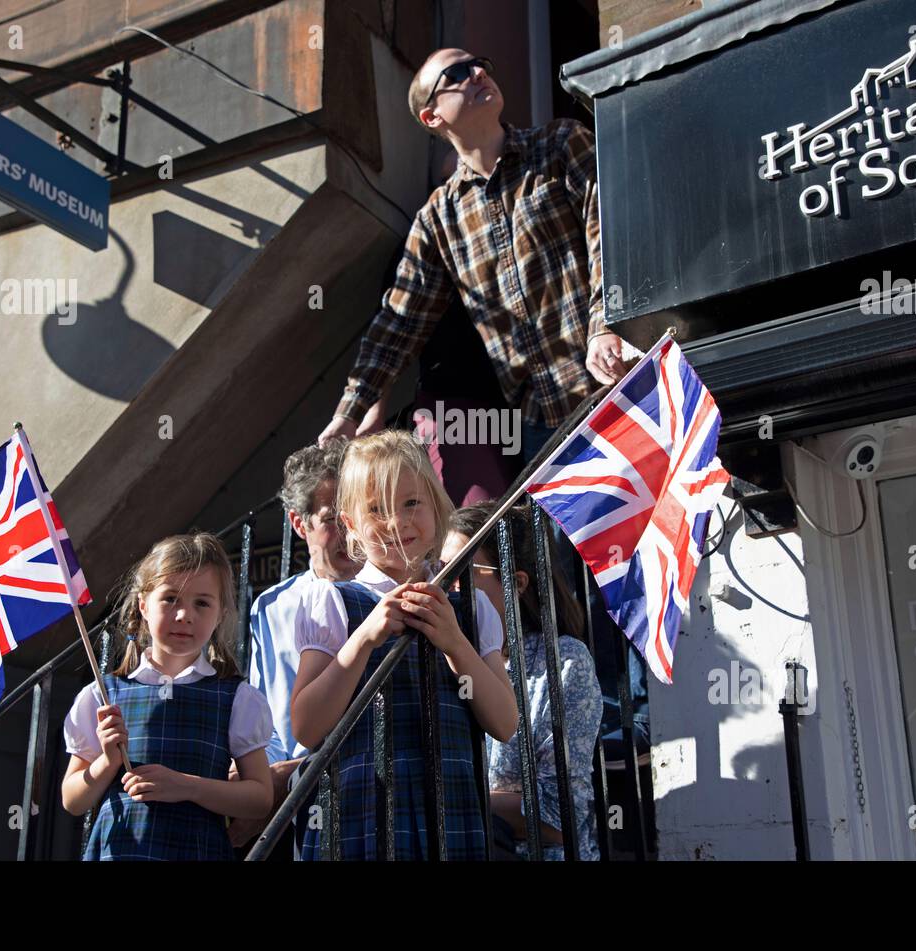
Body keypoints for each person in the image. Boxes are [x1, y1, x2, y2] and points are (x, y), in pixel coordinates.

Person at [316, 47, 630, 450]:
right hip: (543, 432)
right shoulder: (438, 219)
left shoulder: (560, 144)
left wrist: (606, 323)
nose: (479, 72)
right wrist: (349, 412)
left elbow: (610, 233)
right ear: (432, 116)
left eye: (481, 63)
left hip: (620, 383)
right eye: (459, 72)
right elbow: (398, 323)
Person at [290, 430, 518, 859]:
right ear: (351, 524)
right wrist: (362, 640)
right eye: (376, 510)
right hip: (360, 814)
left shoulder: (470, 611)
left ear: (437, 505)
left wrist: (455, 643)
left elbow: (505, 723)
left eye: (411, 503)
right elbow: (306, 726)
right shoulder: (333, 603)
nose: (397, 522)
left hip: (450, 815)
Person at [61, 532, 274, 861]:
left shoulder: (237, 698)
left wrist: (188, 786)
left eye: (201, 603)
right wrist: (108, 761)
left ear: (220, 614)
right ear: (143, 605)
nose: (184, 615)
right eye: (170, 598)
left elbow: (260, 797)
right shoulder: (101, 696)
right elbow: (73, 800)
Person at [442, 501, 602, 861]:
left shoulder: (561, 661)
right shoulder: (439, 661)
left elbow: (560, 818)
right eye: (440, 570)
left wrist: (448, 796)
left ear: (515, 584)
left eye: (462, 570)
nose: (448, 587)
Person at [227, 441, 361, 853]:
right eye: (331, 520)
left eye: (355, 513)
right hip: (296, 806)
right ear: (299, 525)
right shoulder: (272, 607)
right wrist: (260, 776)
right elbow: (268, 716)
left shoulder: (387, 594)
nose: (349, 531)